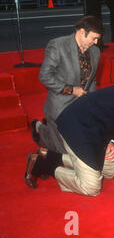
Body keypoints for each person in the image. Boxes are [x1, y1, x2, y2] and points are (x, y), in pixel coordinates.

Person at [31, 16, 105, 156]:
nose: (96, 43)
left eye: (97, 39)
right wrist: (72, 90)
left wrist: (92, 102)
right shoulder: (58, 45)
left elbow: (92, 80)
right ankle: (40, 130)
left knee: (80, 145)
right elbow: (44, 76)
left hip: (81, 107)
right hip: (60, 106)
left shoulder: (95, 52)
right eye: (94, 38)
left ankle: (47, 130)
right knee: (64, 151)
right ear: (82, 32)